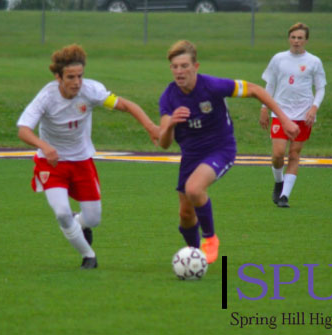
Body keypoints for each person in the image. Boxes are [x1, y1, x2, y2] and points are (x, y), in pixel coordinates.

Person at [17, 44, 159, 269]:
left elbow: (126, 105)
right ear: (58, 77)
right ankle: (88, 255)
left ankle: (77, 223)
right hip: (51, 163)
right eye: (70, 77)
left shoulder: (91, 91)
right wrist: (43, 145)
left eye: (80, 76)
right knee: (61, 212)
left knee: (93, 219)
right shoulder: (46, 96)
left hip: (82, 161)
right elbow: (23, 129)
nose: (76, 82)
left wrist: (151, 127)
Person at [158, 40, 299, 264]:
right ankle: (196, 257)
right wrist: (170, 124)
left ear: (196, 66)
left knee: (194, 189)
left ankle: (210, 238)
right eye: (175, 67)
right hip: (191, 156)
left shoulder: (212, 86)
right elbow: (164, 143)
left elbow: (255, 89)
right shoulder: (169, 97)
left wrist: (284, 119)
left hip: (219, 148)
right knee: (185, 215)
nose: (179, 71)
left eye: (184, 65)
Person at [260, 22, 327, 208]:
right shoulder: (278, 59)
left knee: (294, 154)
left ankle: (284, 197)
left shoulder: (314, 61)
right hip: (280, 114)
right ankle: (278, 181)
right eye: (294, 37)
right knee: (278, 154)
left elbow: (320, 88)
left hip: (303, 115)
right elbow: (270, 85)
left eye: (300, 38)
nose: (296, 41)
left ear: (306, 40)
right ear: (289, 38)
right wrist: (264, 108)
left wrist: (314, 108)